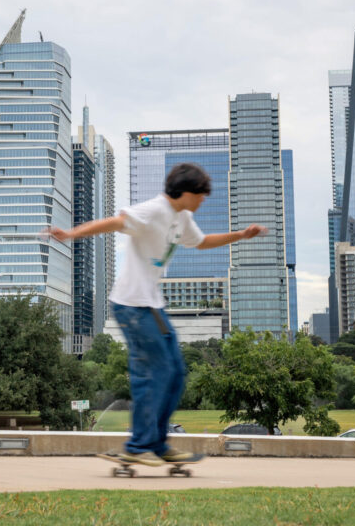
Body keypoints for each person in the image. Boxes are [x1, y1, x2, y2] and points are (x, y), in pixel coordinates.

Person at [45, 162, 268, 466]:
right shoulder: (154, 210)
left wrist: (241, 235)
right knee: (152, 373)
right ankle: (138, 445)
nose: (204, 200)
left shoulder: (182, 218)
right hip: (130, 305)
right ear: (186, 192)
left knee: (175, 373)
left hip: (152, 305)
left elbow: (202, 243)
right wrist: (71, 233)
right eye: (201, 195)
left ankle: (158, 443)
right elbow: (115, 222)